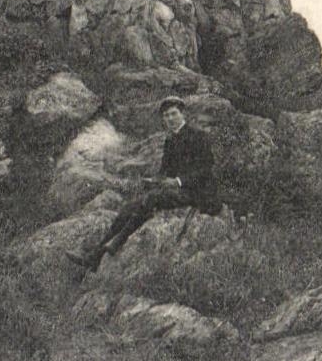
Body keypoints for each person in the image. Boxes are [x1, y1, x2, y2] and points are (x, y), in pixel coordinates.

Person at [68, 98, 219, 273]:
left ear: (182, 114)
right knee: (128, 207)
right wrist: (155, 180)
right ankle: (95, 257)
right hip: (177, 190)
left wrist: (178, 181)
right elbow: (165, 171)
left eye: (173, 114)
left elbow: (206, 169)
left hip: (198, 192)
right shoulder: (170, 141)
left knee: (152, 198)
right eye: (166, 116)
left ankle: (119, 240)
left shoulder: (198, 136)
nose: (170, 119)